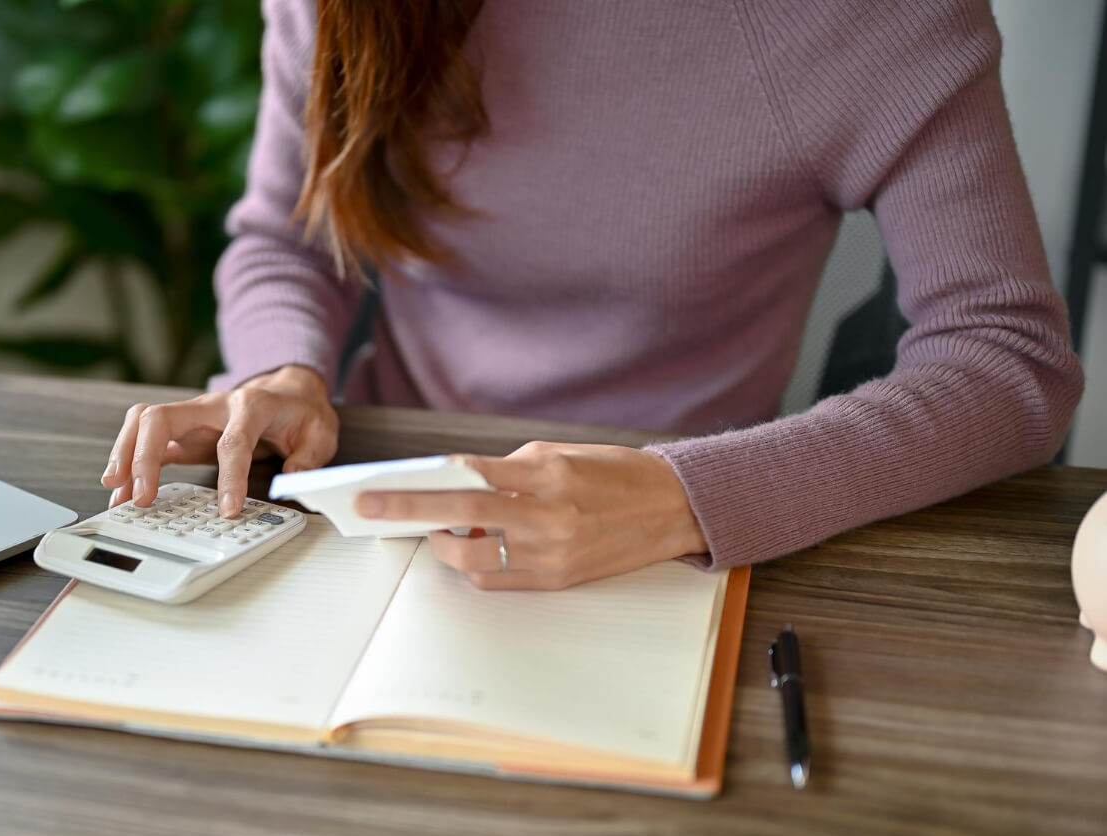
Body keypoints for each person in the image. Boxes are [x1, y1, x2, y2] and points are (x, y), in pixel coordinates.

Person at [101, 0, 1084, 590]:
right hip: (369, 508)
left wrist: (681, 497)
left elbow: (1008, 362)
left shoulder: (868, 23)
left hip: (678, 544)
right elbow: (286, 236)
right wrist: (283, 370)